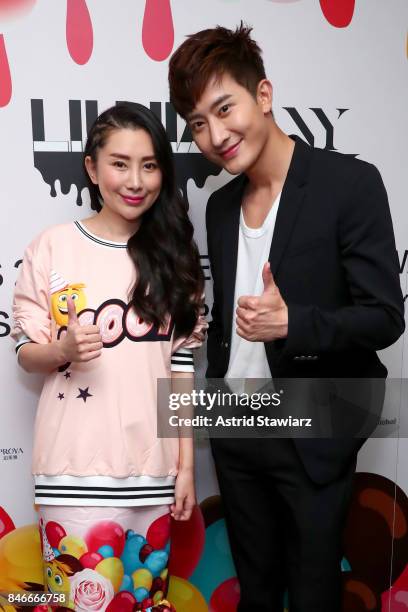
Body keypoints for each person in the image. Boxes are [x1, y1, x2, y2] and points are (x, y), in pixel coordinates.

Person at [168, 24, 405, 612]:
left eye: (225, 109)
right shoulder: (222, 208)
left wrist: (293, 324)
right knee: (256, 590)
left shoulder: (349, 183)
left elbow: (384, 317)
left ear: (264, 95)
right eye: (198, 123)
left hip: (315, 424)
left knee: (313, 594)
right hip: (238, 425)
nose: (215, 135)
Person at [12, 102, 206, 612]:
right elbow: (25, 354)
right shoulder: (52, 248)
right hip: (73, 476)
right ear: (92, 168)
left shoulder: (175, 259)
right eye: (120, 163)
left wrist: (184, 469)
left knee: (143, 603)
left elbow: (180, 373)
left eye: (149, 164)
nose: (135, 180)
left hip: (153, 476)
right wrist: (62, 349)